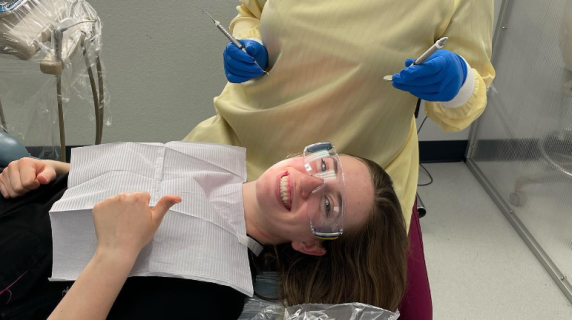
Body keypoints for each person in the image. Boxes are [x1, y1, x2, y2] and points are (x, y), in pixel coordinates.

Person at [184, 0, 496, 233]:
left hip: (340, 195)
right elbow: (252, 12)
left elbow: (465, 104)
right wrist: (254, 42)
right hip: (240, 141)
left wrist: (459, 84)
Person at [0, 142, 408, 320]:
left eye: (328, 204)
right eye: (324, 165)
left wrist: (114, 255)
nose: (309, 183)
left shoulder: (209, 296)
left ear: (310, 244)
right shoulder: (208, 167)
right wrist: (49, 173)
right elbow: (114, 180)